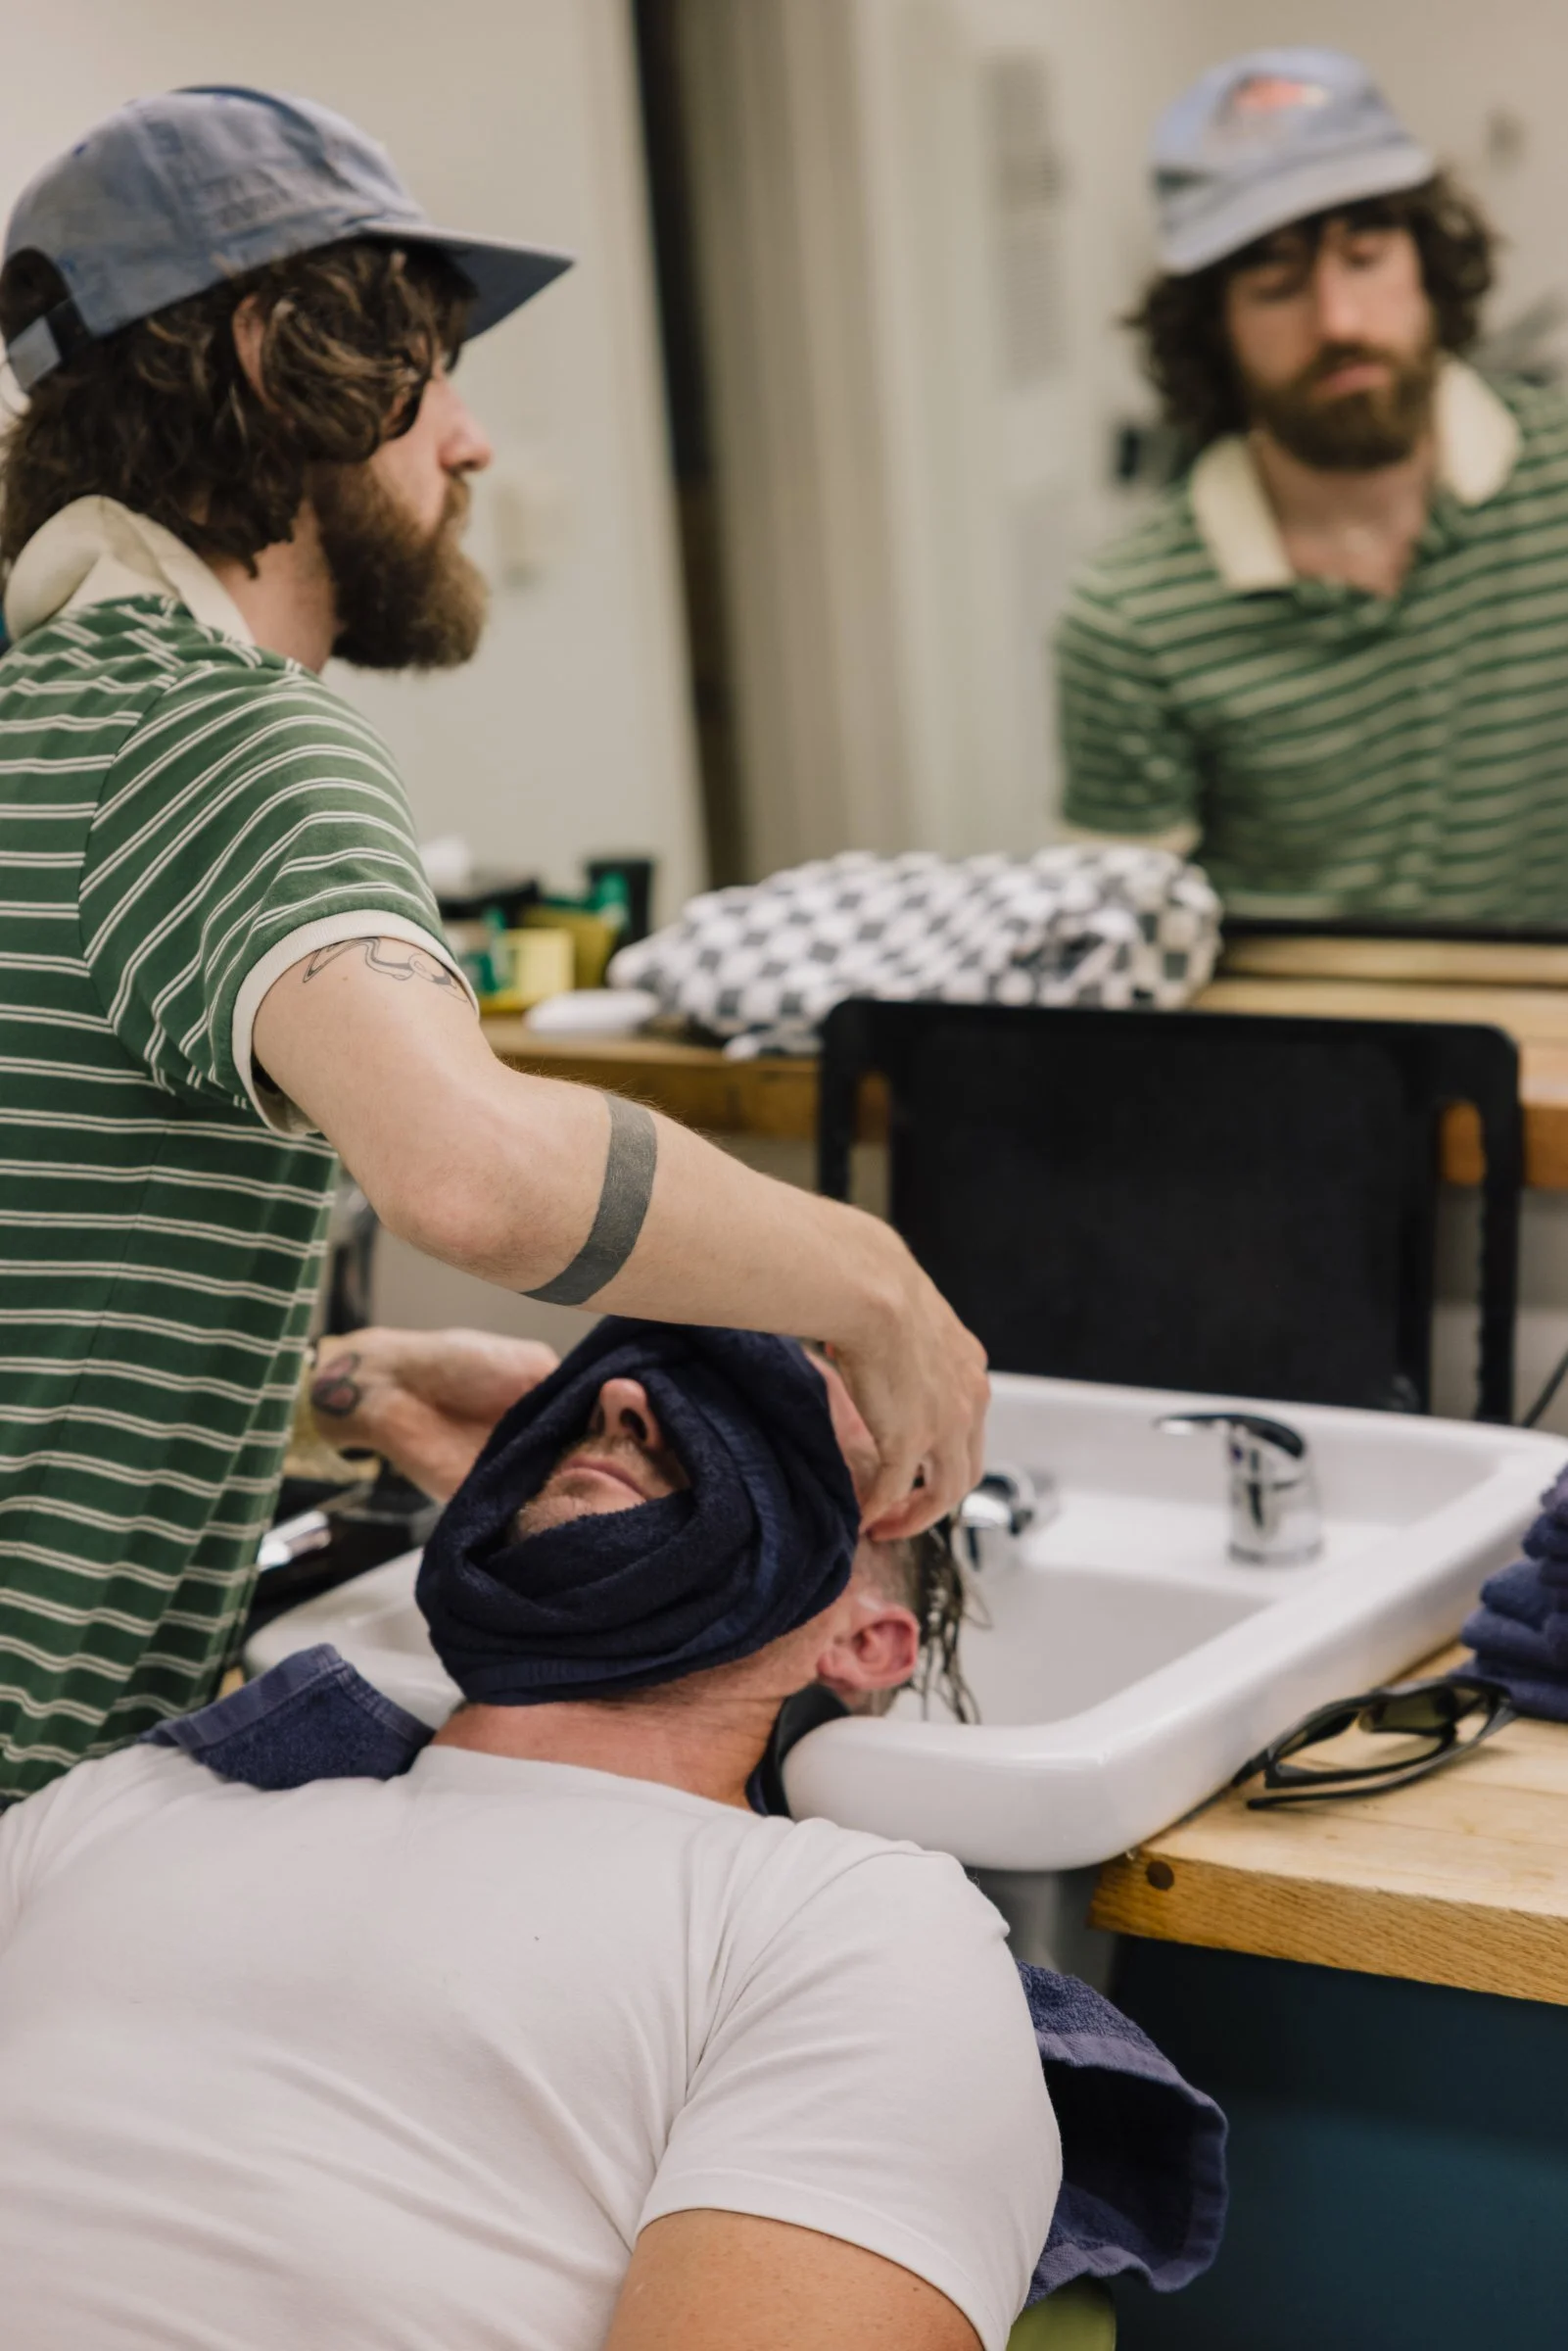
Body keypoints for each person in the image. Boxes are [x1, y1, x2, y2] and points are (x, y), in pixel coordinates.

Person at [0, 87, 988, 1799]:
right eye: (428, 369)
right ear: (270, 351)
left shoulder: (42, 723)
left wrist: (345, 1383)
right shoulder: (217, 737)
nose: (466, 442)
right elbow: (472, 1179)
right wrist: (873, 1280)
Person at [0, 1321, 1058, 2351]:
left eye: (767, 1416)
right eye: (628, 1384)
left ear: (863, 1642)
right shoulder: (139, 1801)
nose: (622, 1397)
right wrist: (372, 1384)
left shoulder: (847, 1929)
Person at [1056, 47, 1568, 925]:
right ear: (1212, 329)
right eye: (1275, 283)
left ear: (1425, 270)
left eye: (1363, 257)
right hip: (1294, 1048)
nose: (1336, 321)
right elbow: (1114, 955)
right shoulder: (1129, 623)